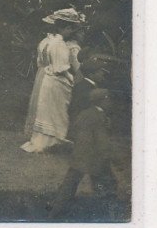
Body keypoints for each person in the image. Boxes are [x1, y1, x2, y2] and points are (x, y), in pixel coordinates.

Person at [48, 89, 119, 219]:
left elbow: (74, 131)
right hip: (94, 157)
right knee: (108, 183)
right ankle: (109, 214)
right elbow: (102, 140)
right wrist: (107, 155)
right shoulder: (100, 117)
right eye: (108, 100)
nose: (110, 103)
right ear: (102, 101)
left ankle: (55, 207)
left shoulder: (84, 113)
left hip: (79, 155)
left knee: (70, 183)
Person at [22, 9, 83, 153]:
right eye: (69, 29)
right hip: (56, 80)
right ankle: (53, 141)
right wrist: (72, 80)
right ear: (63, 28)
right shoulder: (59, 44)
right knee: (56, 112)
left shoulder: (46, 41)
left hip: (45, 76)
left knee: (46, 110)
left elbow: (40, 62)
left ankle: (44, 140)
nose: (70, 32)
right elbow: (61, 68)